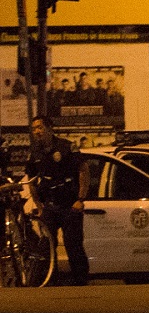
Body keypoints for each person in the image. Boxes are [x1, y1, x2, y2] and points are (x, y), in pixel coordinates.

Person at [27, 115, 89, 286]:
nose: (37, 132)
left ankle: (81, 281)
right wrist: (39, 206)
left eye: (40, 127)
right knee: (46, 246)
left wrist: (80, 199)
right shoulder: (35, 152)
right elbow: (31, 180)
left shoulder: (66, 147)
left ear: (49, 128)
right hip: (50, 206)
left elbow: (83, 170)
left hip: (70, 205)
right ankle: (50, 281)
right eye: (34, 129)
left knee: (73, 245)